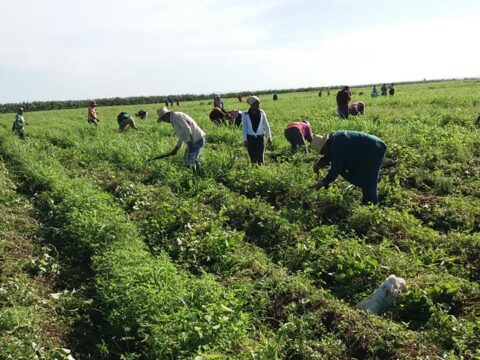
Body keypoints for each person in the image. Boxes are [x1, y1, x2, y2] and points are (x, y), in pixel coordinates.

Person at [311, 130, 387, 205]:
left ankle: (374, 204)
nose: (323, 154)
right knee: (364, 177)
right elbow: (333, 155)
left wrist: (324, 181)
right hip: (367, 150)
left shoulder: (336, 144)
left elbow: (336, 168)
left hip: (374, 149)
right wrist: (322, 161)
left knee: (369, 178)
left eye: (322, 152)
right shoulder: (334, 141)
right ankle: (366, 201)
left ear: (324, 146)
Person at [242, 96, 272, 165]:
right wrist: (245, 140)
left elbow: (266, 125)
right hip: (250, 138)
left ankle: (261, 169)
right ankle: (254, 170)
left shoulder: (262, 113)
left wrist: (269, 137)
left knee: (260, 157)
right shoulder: (245, 114)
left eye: (259, 103)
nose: (259, 105)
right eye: (257, 104)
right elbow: (244, 128)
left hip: (260, 137)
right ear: (251, 105)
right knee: (253, 157)